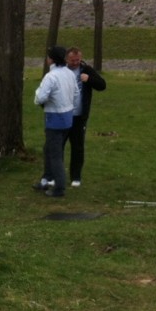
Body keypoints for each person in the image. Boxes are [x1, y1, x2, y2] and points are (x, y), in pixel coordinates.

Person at [33, 45, 78, 198]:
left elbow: (40, 97)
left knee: (55, 154)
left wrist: (39, 95)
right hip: (67, 118)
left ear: (51, 59)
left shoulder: (51, 76)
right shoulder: (70, 74)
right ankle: (46, 178)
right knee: (48, 149)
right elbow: (76, 93)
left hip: (54, 119)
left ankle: (59, 187)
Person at [63, 47, 106, 188]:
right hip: (63, 114)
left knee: (78, 147)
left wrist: (89, 79)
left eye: (77, 60)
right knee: (58, 145)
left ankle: (76, 176)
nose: (75, 63)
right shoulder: (61, 71)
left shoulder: (86, 69)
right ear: (66, 59)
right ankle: (54, 174)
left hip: (79, 117)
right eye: (72, 60)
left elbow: (102, 85)